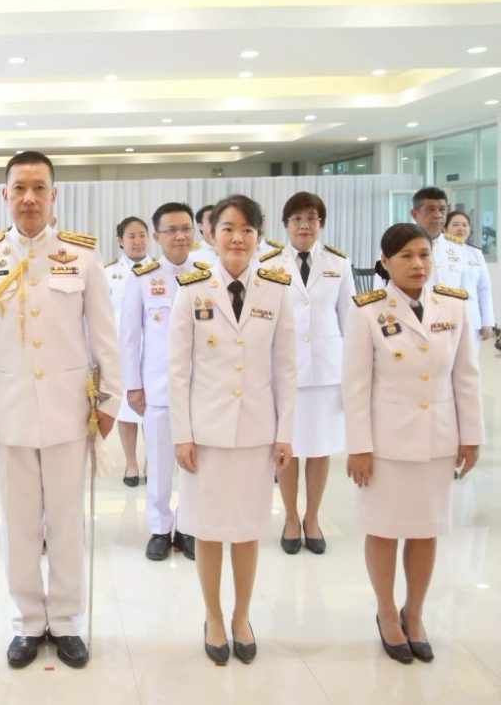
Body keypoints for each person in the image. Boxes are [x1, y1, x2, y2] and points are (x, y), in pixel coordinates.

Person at [0, 151, 122, 669]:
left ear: (54, 196)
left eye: (39, 188)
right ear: (4, 195)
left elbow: (104, 335)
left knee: (66, 521)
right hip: (8, 412)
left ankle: (66, 620)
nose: (29, 198)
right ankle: (28, 621)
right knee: (19, 524)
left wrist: (110, 400)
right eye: (19, 188)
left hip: (68, 412)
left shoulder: (81, 256)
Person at [343, 222, 482, 664]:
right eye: (406, 256)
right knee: (383, 530)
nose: (418, 263)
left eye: (424, 254)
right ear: (385, 263)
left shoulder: (453, 305)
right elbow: (355, 385)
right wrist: (359, 445)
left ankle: (415, 612)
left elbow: (466, 376)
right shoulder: (367, 310)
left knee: (425, 530)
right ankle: (386, 612)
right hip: (386, 444)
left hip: (437, 439)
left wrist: (471, 436)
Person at [168, 194, 296, 666]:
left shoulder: (275, 290)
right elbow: (177, 369)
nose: (237, 238)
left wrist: (285, 432)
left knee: (246, 530)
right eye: (228, 228)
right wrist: (182, 434)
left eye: (247, 230)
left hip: (257, 432)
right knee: (207, 530)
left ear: (259, 237)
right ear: (211, 234)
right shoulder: (191, 288)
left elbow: (286, 369)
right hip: (205, 434)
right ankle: (213, 616)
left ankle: (242, 616)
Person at [260, 193, 353, 556]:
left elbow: (349, 321)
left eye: (312, 218)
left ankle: (312, 517)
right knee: (287, 450)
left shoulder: (338, 263)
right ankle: (290, 518)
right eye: (297, 219)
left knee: (320, 449)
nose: (304, 225)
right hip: (285, 373)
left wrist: (352, 375)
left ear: (320, 224)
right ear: (285, 225)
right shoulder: (268, 264)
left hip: (327, 371)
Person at [121, 202, 204, 562]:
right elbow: (129, 336)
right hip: (158, 387)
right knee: (159, 462)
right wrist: (133, 384)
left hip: (201, 388)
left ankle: (188, 526)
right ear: (157, 236)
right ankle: (159, 528)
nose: (180, 236)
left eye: (186, 228)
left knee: (195, 464)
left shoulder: (207, 275)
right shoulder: (143, 278)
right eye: (171, 230)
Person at [105, 216, 154, 487]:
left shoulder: (160, 271)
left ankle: (151, 461)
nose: (138, 241)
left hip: (153, 353)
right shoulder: (108, 274)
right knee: (126, 410)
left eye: (142, 235)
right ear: (120, 241)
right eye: (132, 236)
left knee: (152, 410)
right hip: (121, 354)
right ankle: (131, 462)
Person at [445, 210, 495, 340]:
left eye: (465, 225)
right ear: (445, 229)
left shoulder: (476, 253)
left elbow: (484, 289)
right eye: (455, 225)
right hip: (444, 318)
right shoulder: (437, 251)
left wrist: (487, 321)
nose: (461, 228)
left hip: (471, 318)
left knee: (470, 353)